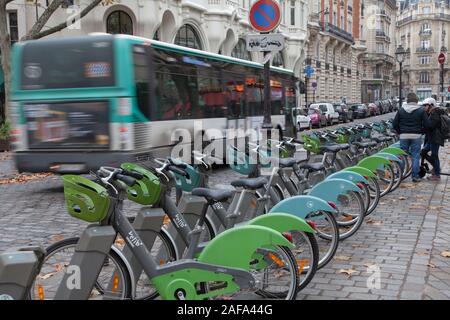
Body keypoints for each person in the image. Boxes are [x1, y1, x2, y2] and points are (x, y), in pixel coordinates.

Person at [392, 92, 428, 182]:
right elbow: (427, 124)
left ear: (407, 101)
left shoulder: (401, 110)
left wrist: (400, 132)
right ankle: (415, 176)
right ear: (416, 101)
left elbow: (394, 124)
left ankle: (398, 175)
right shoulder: (421, 110)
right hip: (416, 136)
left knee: (402, 156)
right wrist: (421, 131)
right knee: (415, 156)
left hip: (404, 136)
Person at [422, 97, 445, 181]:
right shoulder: (431, 113)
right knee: (423, 152)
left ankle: (437, 174)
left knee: (434, 156)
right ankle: (436, 168)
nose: (424, 107)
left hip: (435, 138)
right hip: (432, 138)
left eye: (426, 105)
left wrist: (424, 122)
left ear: (431, 105)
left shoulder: (435, 114)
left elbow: (431, 126)